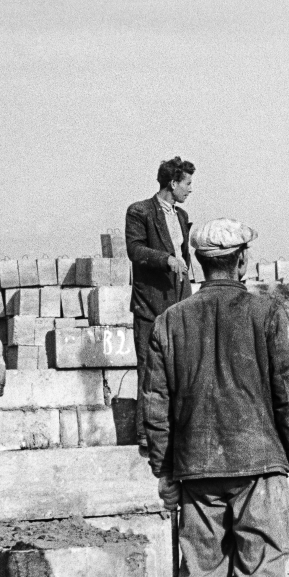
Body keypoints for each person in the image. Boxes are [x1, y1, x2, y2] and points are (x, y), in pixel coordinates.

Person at [142, 218, 289, 577]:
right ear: (242, 260)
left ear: (200, 264)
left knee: (200, 571)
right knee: (262, 568)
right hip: (260, 464)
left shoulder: (169, 322)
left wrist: (163, 471)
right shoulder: (266, 314)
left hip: (196, 468)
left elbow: (155, 406)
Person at [126, 156, 196, 450]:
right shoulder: (139, 211)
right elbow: (135, 249)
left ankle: (176, 429)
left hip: (179, 304)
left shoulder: (181, 216)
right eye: (187, 183)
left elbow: (184, 256)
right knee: (149, 368)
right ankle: (146, 434)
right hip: (150, 306)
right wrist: (165, 260)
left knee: (182, 368)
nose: (190, 190)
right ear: (173, 183)